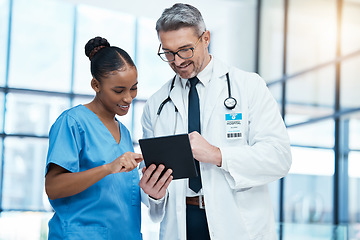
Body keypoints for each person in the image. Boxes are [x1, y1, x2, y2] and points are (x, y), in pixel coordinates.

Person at [139, 3, 292, 240]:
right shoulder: (157, 104)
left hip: (236, 224)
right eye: (168, 52)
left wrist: (218, 155)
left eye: (185, 50)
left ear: (206, 38)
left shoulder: (248, 87)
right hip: (182, 224)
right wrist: (153, 193)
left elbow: (279, 157)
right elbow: (154, 185)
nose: (177, 61)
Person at [45, 36, 144, 240]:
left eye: (133, 88)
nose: (128, 98)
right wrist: (108, 168)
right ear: (96, 85)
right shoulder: (72, 122)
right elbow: (53, 187)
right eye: (118, 90)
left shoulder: (123, 132)